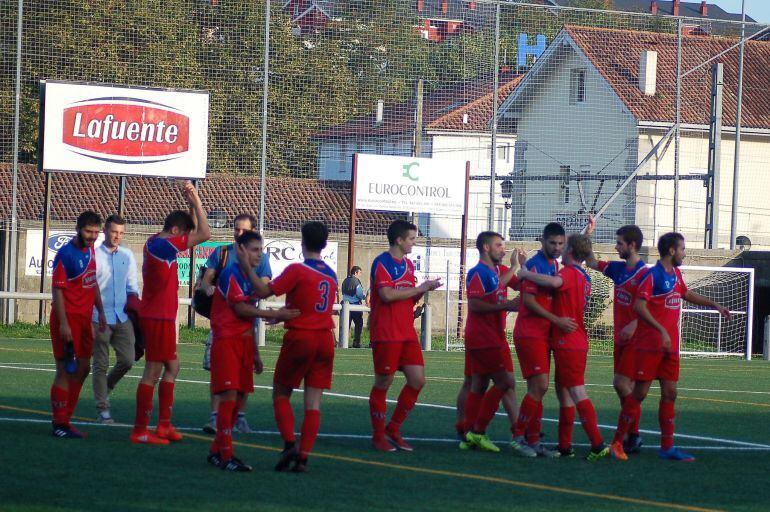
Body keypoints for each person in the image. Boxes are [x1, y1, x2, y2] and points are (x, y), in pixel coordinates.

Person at [609, 232, 730, 462]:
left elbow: (686, 293)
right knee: (640, 393)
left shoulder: (675, 274)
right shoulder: (651, 275)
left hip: (669, 348)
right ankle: (617, 442)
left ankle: (667, 447)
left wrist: (715, 304)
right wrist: (661, 329)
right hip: (649, 345)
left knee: (670, 393)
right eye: (683, 249)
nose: (685, 253)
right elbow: (639, 307)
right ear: (672, 251)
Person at [242, 222, 338, 472]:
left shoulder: (297, 270)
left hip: (301, 338)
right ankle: (303, 457)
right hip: (326, 340)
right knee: (313, 403)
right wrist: (283, 315)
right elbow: (311, 307)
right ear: (325, 244)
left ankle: (288, 444)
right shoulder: (332, 275)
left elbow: (263, 291)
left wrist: (245, 267)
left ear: (302, 242)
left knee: (281, 393)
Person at [206, 231, 298, 472]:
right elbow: (240, 310)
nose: (260, 254)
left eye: (261, 249)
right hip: (227, 342)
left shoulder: (250, 276)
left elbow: (247, 319)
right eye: (255, 249)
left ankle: (216, 451)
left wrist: (255, 353)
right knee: (228, 397)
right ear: (241, 250)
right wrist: (275, 314)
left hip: (244, 344)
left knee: (237, 399)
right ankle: (226, 456)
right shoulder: (230, 273)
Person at [130, 181, 211, 445]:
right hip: (157, 316)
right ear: (175, 231)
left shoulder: (157, 241)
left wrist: (189, 202)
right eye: (183, 235)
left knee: (172, 366)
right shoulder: (164, 246)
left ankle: (163, 425)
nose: (184, 241)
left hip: (161, 315)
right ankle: (140, 430)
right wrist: (197, 201)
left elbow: (196, 230)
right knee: (153, 371)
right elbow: (205, 233)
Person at [517, 234, 609, 461]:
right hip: (574, 340)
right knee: (564, 393)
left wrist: (526, 272)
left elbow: (555, 283)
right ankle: (565, 445)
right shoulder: (584, 275)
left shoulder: (567, 273)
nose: (559, 249)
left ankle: (597, 444)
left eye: (563, 246)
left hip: (568, 341)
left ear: (569, 251)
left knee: (577, 391)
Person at [368, 220, 442, 452]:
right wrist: (421, 288)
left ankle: (394, 428)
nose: (414, 243)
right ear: (399, 240)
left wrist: (420, 295)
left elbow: (406, 295)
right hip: (387, 332)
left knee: (417, 380)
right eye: (411, 239)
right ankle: (379, 435)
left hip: (406, 332)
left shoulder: (409, 265)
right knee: (384, 382)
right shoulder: (382, 263)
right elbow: (387, 295)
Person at [200, 213, 272, 435]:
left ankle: (236, 422)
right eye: (236, 229)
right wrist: (206, 286)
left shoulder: (259, 261)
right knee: (222, 379)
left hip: (244, 329)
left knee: (242, 378)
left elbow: (264, 288)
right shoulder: (225, 258)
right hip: (224, 331)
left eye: (244, 230)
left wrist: (257, 353)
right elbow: (240, 304)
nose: (238, 233)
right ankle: (219, 431)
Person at [509, 223, 572, 458]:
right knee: (541, 386)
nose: (557, 248)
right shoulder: (535, 264)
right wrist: (555, 319)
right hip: (530, 333)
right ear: (543, 242)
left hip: (544, 334)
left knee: (537, 389)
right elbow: (529, 301)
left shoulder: (554, 265)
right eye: (552, 243)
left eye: (560, 244)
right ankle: (518, 436)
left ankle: (533, 440)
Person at [585, 219, 647, 453]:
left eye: (619, 243)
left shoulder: (644, 274)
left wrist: (634, 324)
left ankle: (633, 434)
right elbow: (591, 262)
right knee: (624, 389)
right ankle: (633, 435)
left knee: (621, 384)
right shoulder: (618, 269)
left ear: (632, 245)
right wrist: (589, 234)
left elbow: (652, 306)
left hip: (638, 339)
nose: (616, 247)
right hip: (621, 341)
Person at [460, 232, 522, 453]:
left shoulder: (496, 271)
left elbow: (512, 286)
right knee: (505, 382)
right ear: (486, 247)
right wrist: (506, 305)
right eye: (498, 245)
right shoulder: (478, 272)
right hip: (484, 337)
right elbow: (476, 305)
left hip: (491, 336)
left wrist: (521, 269)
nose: (503, 250)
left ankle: (469, 433)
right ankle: (477, 431)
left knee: (479, 384)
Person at [50, 211, 107, 438]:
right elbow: (58, 291)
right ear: (78, 228)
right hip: (68, 319)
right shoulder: (66, 254)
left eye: (95, 232)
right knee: (64, 370)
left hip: (85, 320)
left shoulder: (91, 249)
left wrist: (101, 311)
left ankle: (66, 419)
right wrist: (64, 324)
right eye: (88, 231)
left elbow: (91, 284)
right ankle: (60, 423)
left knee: (83, 369)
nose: (92, 236)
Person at [92, 214, 140, 424]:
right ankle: (103, 409)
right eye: (114, 231)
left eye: (121, 233)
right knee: (100, 365)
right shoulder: (93, 254)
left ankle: (106, 388)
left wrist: (137, 313)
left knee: (128, 360)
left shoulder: (127, 256)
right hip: (98, 317)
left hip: (121, 317)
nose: (117, 236)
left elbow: (132, 287)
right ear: (105, 231)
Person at [341, 266, 367, 348]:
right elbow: (359, 294)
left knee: (345, 325)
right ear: (355, 273)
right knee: (359, 324)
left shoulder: (345, 280)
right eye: (359, 273)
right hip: (355, 306)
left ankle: (343, 342)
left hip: (345, 305)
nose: (360, 275)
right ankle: (356, 342)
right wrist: (364, 297)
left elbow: (342, 292)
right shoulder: (356, 281)